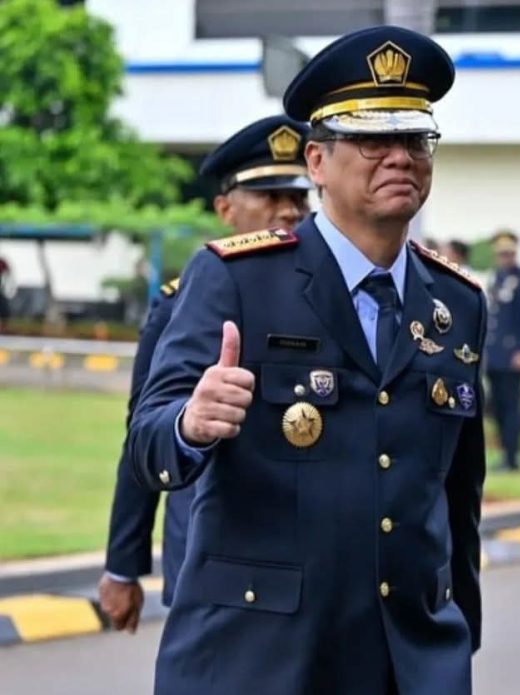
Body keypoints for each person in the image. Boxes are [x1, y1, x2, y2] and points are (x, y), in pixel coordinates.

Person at [128, 26, 486, 695]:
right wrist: (189, 423)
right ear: (317, 162)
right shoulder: (237, 278)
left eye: (416, 139)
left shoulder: (456, 302)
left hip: (410, 658)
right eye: (373, 140)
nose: (400, 157)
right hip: (264, 656)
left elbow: (458, 492)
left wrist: (459, 626)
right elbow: (149, 442)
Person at [98, 115, 312, 634]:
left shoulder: (328, 297)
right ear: (225, 209)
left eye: (298, 196)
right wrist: (123, 565)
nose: (288, 210)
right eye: (269, 195)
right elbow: (146, 431)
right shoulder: (183, 302)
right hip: (209, 549)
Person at [485, 230, 520, 473]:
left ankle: (512, 457)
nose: (505, 258)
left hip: (512, 354)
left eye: (508, 253)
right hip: (494, 354)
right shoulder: (496, 278)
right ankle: (505, 454)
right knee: (497, 407)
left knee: (511, 407)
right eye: (501, 254)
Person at [0, 257, 12, 333]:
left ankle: (3, 329)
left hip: (1, 291)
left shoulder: (2, 262)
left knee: (5, 311)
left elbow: (8, 271)